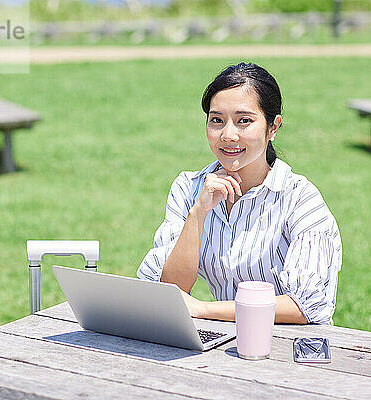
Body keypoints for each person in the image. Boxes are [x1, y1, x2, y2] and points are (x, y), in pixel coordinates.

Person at [137, 62, 342, 325]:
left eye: (244, 121)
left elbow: (306, 306)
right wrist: (198, 213)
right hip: (225, 343)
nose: (228, 135)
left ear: (273, 127)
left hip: (290, 343)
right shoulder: (189, 188)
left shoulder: (299, 199)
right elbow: (168, 290)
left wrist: (205, 310)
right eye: (217, 120)